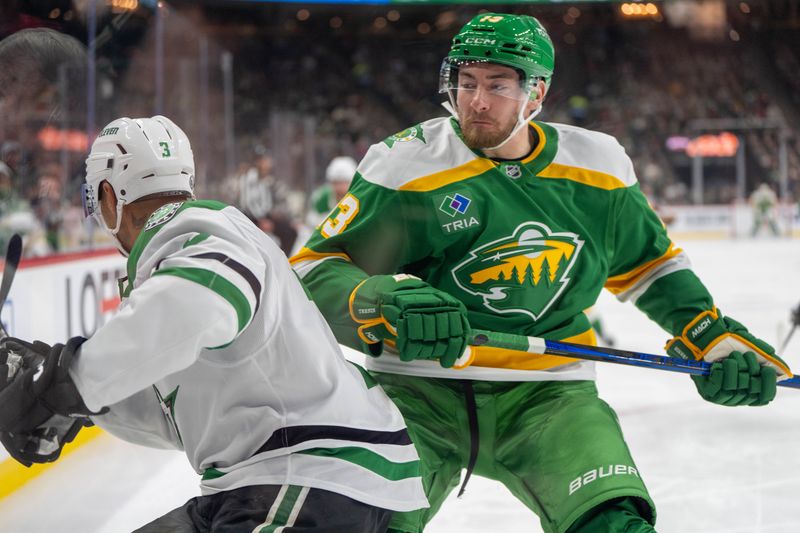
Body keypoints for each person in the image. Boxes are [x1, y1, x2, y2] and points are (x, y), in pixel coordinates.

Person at [290, 13, 791, 533]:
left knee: (614, 525)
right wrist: (377, 298)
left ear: (537, 92)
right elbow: (311, 272)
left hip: (549, 395)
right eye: (466, 82)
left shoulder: (598, 167)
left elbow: (649, 264)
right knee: (350, 524)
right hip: (416, 394)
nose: (476, 101)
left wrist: (706, 333)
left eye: (497, 84)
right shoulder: (406, 165)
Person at [0, 115, 427, 532]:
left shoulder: (202, 233)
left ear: (110, 196)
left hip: (309, 472)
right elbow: (182, 415)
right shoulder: (182, 261)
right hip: (269, 480)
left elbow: (191, 306)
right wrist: (83, 404)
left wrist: (64, 380)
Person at [306, 155, 358, 228]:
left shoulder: (359, 197)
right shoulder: (321, 198)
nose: (340, 187)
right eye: (336, 182)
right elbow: (312, 227)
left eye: (344, 182)